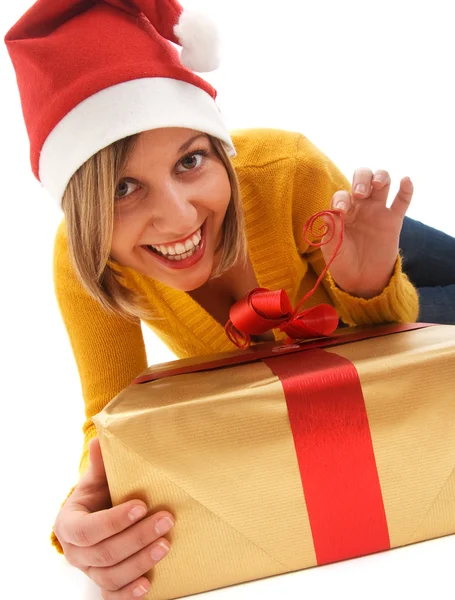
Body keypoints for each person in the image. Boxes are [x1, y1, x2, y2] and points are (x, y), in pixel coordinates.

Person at [5, 1, 454, 598]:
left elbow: (388, 349)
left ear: (220, 153)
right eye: (124, 188)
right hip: (348, 296)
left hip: (357, 249)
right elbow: (112, 422)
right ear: (85, 214)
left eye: (191, 160)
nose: (180, 216)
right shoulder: (88, 264)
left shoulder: (287, 168)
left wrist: (367, 281)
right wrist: (84, 516)